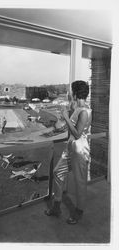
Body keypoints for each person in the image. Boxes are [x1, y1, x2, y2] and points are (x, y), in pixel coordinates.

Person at [45, 80, 92, 224]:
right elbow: (65, 127)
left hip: (79, 149)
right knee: (57, 173)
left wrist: (66, 117)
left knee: (80, 182)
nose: (70, 93)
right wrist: (61, 119)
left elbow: (77, 134)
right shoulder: (76, 108)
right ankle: (57, 207)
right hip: (71, 147)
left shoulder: (84, 111)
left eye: (71, 90)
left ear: (75, 92)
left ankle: (79, 212)